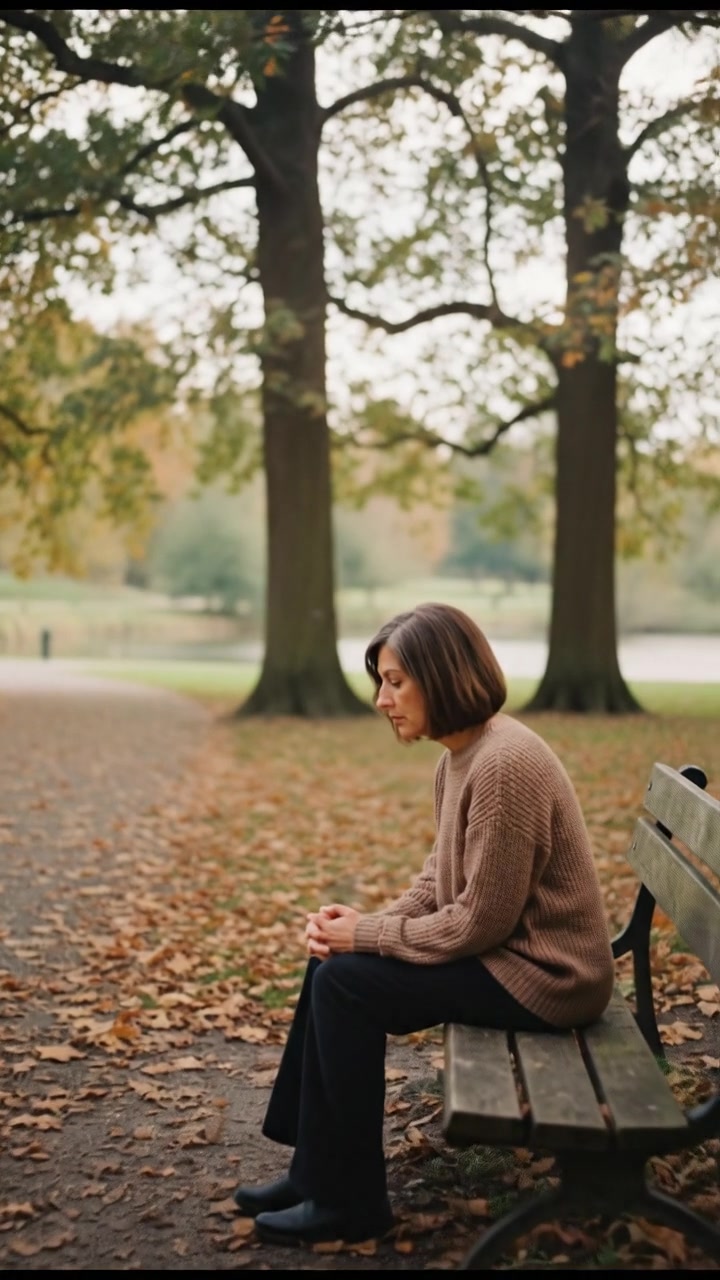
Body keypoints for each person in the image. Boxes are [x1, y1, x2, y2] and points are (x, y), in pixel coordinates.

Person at [234, 602, 615, 1247]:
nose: (383, 700)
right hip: (509, 958)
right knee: (333, 963)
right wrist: (359, 927)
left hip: (549, 978)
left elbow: (477, 923)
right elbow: (438, 882)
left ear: (442, 676)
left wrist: (371, 937)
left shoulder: (503, 766)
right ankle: (317, 1173)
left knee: (347, 984)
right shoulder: (460, 758)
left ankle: (351, 1203)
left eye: (395, 681)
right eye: (381, 681)